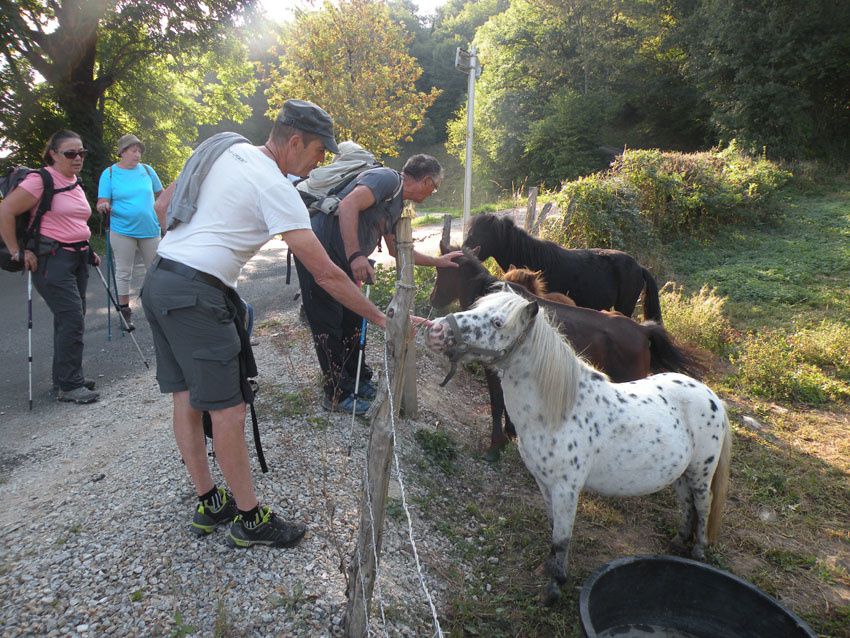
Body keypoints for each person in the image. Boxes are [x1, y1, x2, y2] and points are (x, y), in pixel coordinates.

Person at [142, 99, 410, 549]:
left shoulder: (224, 148)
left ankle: (210, 501)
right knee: (228, 407)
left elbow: (163, 204)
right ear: (294, 142)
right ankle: (249, 520)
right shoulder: (276, 186)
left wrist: (190, 246)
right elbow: (325, 273)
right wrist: (381, 317)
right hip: (197, 295)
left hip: (161, 279)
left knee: (186, 397)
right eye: (319, 153)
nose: (318, 164)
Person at [295, 154, 462, 415]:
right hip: (319, 252)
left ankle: (357, 383)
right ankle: (336, 395)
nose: (434, 192)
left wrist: (439, 262)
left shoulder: (395, 203)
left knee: (352, 319)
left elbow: (397, 251)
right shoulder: (384, 178)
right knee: (329, 322)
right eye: (435, 186)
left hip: (343, 260)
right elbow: (348, 206)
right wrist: (356, 256)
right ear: (427, 180)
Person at [0, 130, 101, 404]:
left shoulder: (73, 181)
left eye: (82, 152)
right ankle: (70, 385)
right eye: (71, 153)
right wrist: (16, 251)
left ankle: (65, 377)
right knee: (72, 318)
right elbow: (6, 209)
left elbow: (74, 221)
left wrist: (88, 249)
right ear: (53, 154)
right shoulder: (39, 180)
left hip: (78, 257)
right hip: (51, 259)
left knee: (70, 316)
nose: (78, 158)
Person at [96, 134, 164, 330]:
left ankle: (157, 307)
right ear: (122, 152)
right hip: (122, 230)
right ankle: (125, 312)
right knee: (124, 272)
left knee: (156, 270)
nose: (138, 154)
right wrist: (104, 205)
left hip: (150, 229)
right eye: (133, 150)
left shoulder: (147, 170)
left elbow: (162, 195)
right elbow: (102, 200)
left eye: (139, 151)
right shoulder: (109, 173)